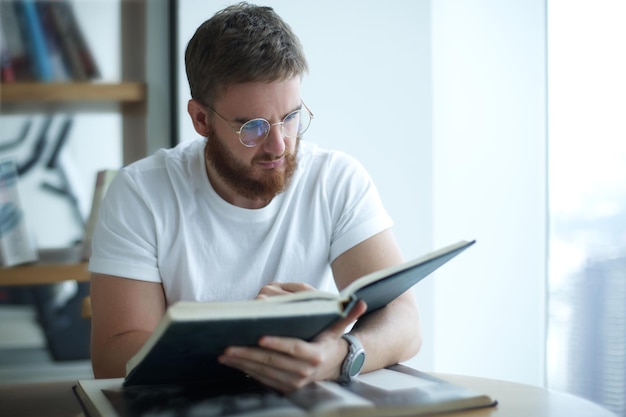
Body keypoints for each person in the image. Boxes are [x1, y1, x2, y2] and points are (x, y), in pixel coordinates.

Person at [89, 2, 421, 392]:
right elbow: (113, 358)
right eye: (254, 126)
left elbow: (405, 322)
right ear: (201, 119)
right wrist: (269, 342)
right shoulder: (141, 193)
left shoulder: (335, 179)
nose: (279, 145)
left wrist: (336, 355)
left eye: (292, 116)